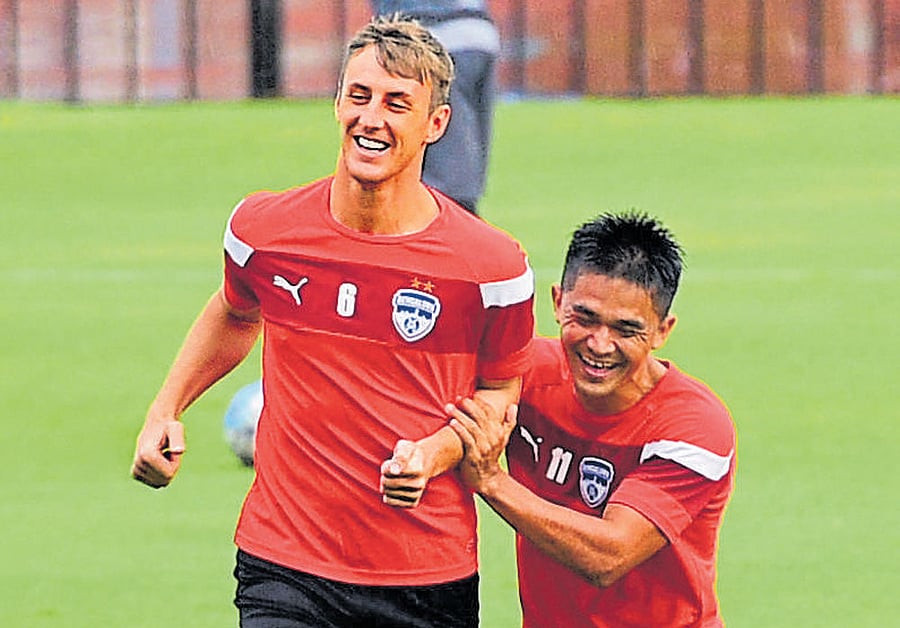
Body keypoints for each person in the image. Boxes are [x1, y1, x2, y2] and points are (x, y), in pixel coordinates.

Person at [131, 14, 534, 628]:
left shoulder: (492, 267)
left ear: (437, 124)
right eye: (359, 96)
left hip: (426, 574)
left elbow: (502, 391)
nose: (372, 118)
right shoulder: (263, 230)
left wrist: (432, 454)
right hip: (284, 564)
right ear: (337, 103)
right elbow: (235, 312)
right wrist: (167, 407)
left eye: (398, 103)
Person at [447, 212, 737, 627]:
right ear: (557, 302)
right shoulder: (524, 375)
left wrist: (492, 482)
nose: (600, 345)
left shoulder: (694, 428)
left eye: (626, 329)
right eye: (584, 318)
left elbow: (608, 555)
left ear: (662, 330)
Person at [370, 1, 500, 214]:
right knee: (466, 156)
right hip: (479, 31)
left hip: (429, 34)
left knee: (445, 176)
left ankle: (455, 232)